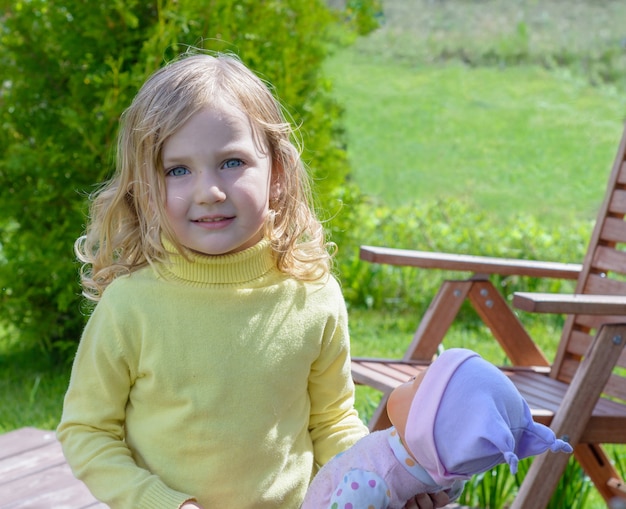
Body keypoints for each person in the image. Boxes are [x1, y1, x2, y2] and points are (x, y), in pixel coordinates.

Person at [56, 52, 448, 509]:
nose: (210, 191)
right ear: (146, 187)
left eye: (232, 162)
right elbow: (87, 431)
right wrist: (161, 503)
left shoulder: (313, 296)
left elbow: (332, 421)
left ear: (277, 173)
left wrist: (386, 481)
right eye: (177, 170)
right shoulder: (130, 307)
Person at [302, 348, 574, 509]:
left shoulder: (372, 480)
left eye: (415, 383)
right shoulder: (441, 479)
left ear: (422, 429)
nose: (407, 380)